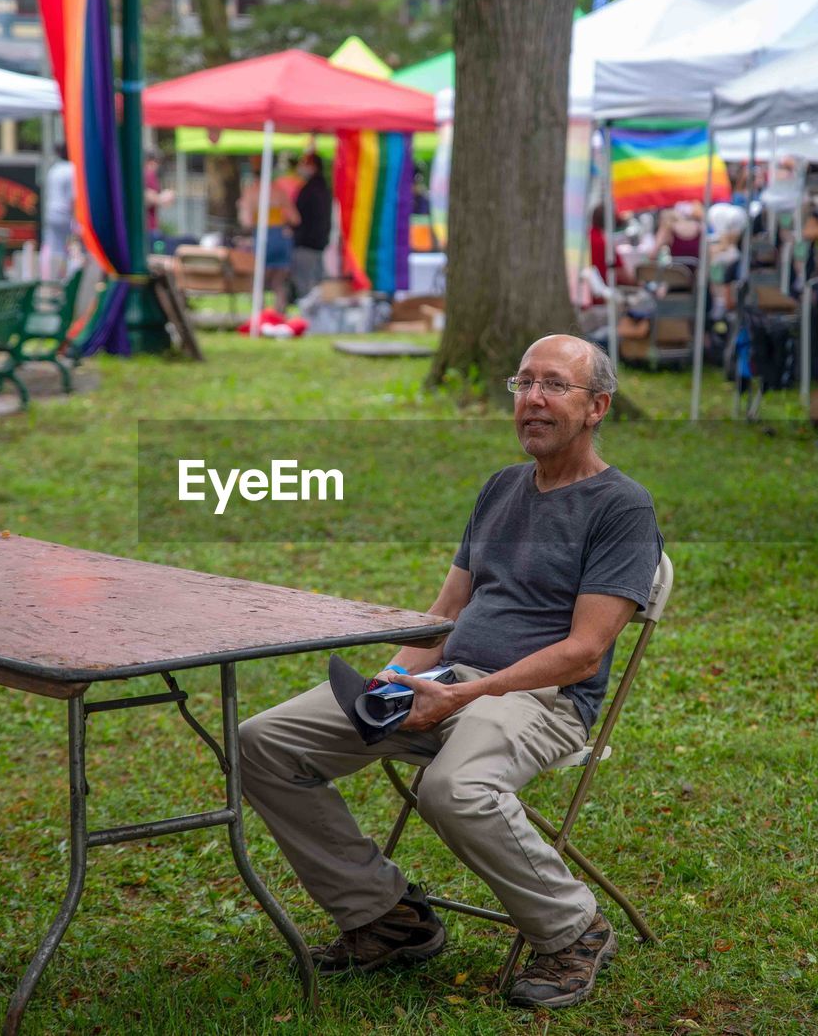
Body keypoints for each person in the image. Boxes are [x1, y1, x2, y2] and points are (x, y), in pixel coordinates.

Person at [240, 334, 663, 1011]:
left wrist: (465, 693)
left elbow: (585, 649)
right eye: (523, 383)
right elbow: (444, 613)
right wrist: (384, 686)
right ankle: (386, 917)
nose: (533, 398)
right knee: (263, 740)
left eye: (554, 384)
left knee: (454, 789)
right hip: (449, 679)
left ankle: (573, 927)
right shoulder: (501, 487)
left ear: (598, 407)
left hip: (540, 699)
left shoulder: (622, 507)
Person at [239, 154, 299, 311]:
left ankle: (261, 315)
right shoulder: (279, 191)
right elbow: (295, 218)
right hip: (281, 237)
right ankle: (279, 314)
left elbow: (246, 221)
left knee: (257, 281)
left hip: (263, 236)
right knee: (279, 282)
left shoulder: (251, 192)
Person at [292, 153, 331, 301]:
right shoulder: (324, 188)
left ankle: (308, 315)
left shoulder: (308, 190)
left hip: (306, 243)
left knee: (306, 285)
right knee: (316, 282)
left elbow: (297, 217)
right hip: (319, 242)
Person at [41, 143, 75, 281]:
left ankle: (52, 280)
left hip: (51, 212)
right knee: (73, 248)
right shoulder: (72, 169)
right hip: (65, 213)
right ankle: (67, 279)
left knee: (55, 248)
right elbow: (74, 197)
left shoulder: (54, 169)